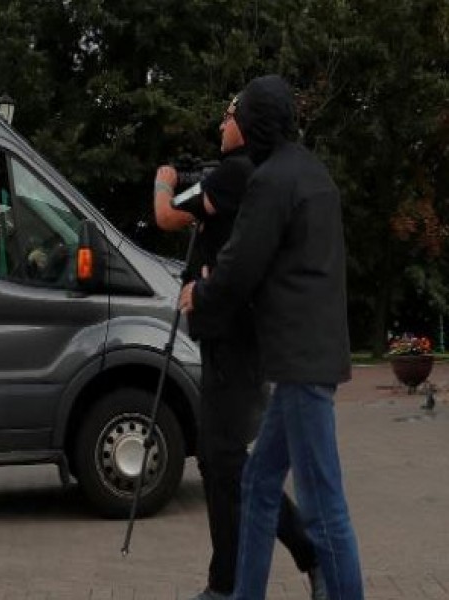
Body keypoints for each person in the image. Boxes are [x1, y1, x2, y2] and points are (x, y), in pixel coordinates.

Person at [178, 75, 364, 600]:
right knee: (258, 483)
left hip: (301, 364)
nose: (231, 122)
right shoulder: (313, 173)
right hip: (307, 357)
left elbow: (240, 267)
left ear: (257, 122)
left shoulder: (271, 179)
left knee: (325, 508)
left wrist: (200, 293)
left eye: (239, 114)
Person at [154, 95, 325, 600]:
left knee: (223, 460)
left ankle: (238, 580)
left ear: (247, 127)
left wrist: (164, 178)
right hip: (233, 336)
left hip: (231, 337)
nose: (222, 122)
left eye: (229, 116)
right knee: (226, 462)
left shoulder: (234, 174)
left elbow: (166, 216)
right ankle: (260, 568)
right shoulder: (246, 176)